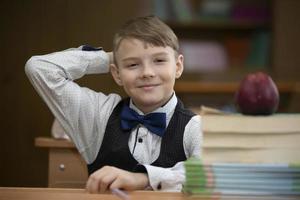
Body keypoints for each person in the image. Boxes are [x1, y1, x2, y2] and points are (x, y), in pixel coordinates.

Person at [25, 15, 202, 193]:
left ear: (178, 66)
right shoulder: (99, 115)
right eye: (133, 64)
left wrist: (144, 178)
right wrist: (114, 57)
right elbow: (38, 68)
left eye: (159, 60)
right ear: (116, 74)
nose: (147, 73)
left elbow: (210, 174)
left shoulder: (195, 127)